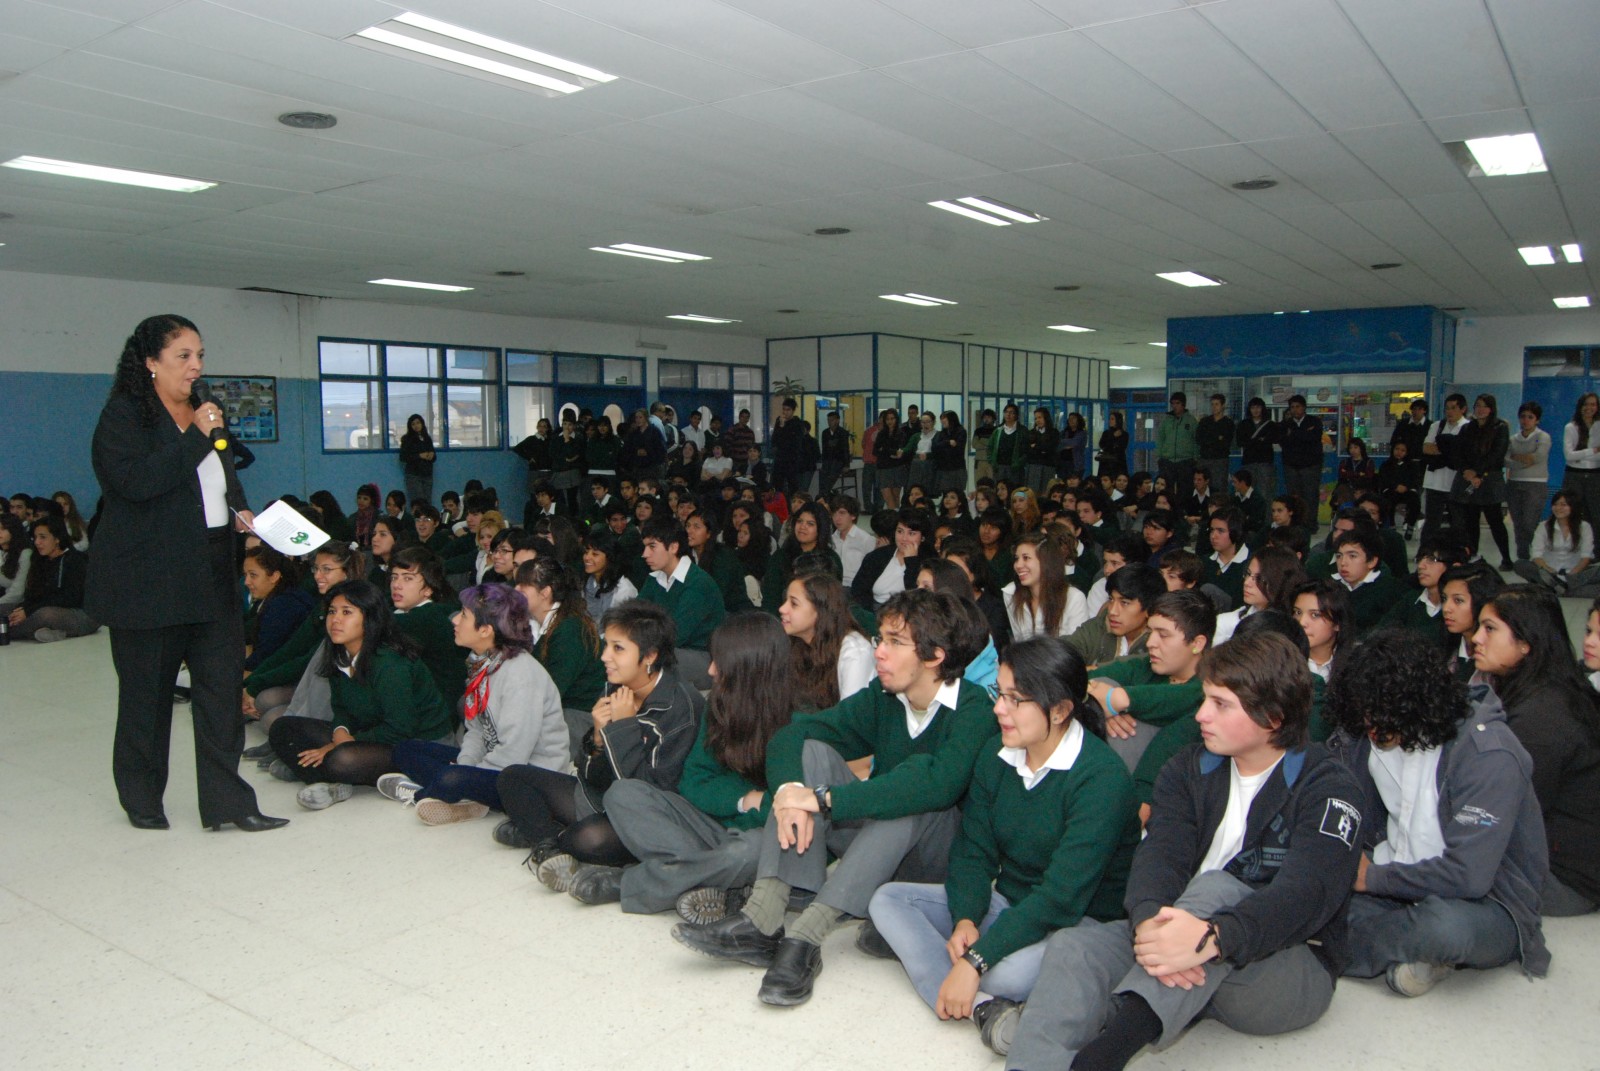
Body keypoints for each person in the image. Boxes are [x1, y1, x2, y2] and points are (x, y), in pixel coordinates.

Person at [1004, 631, 1364, 1070]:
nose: (1201, 715)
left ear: (1272, 717)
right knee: (1073, 947)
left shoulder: (1329, 786)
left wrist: (1215, 938)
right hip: (1179, 947)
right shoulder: (1189, 768)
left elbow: (1306, 895)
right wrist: (1152, 924)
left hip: (1284, 966)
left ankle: (1103, 1056)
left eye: (1220, 704)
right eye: (1205, 699)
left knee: (1218, 889)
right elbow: (1158, 861)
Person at [672, 588, 991, 1007]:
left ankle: (806, 937)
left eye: (896, 643)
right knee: (810, 754)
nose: (880, 653)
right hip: (878, 843)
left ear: (934, 656)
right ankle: (764, 917)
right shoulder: (885, 698)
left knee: (908, 788)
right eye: (881, 640)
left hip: (936, 861)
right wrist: (789, 794)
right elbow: (793, 734)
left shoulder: (974, 710)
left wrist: (822, 801)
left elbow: (937, 785)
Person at [867, 637, 1139, 1043]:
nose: (998, 709)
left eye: (1015, 699)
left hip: (1077, 922)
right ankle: (985, 1009)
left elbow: (1061, 898)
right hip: (1011, 902)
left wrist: (975, 960)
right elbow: (973, 851)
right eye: (999, 693)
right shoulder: (998, 753)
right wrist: (965, 918)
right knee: (887, 901)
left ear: (1061, 710)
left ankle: (973, 986)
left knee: (1003, 971)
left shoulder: (1101, 778)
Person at [85, 315, 283, 833]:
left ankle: (228, 804)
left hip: (213, 571)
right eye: (183, 357)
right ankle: (143, 798)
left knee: (219, 696)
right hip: (147, 581)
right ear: (150, 363)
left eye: (200, 356)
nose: (196, 367)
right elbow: (136, 483)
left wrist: (243, 517)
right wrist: (198, 436)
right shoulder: (125, 416)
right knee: (147, 699)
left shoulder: (204, 412)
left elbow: (221, 479)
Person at [1325, 630, 1549, 995]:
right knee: (1316, 891)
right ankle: (1402, 952)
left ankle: (1341, 950)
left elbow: (1469, 876)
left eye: (1381, 715)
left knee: (1443, 929)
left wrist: (1372, 880)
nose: (1372, 727)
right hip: (1394, 875)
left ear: (1415, 702)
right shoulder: (1372, 730)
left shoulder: (1488, 754)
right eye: (1365, 715)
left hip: (1484, 903)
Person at [597, 613, 795, 917]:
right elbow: (692, 782)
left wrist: (751, 803)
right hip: (711, 826)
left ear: (749, 665)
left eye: (719, 661)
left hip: (758, 838)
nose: (711, 670)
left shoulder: (799, 718)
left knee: (746, 852)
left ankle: (631, 883)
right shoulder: (721, 705)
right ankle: (709, 881)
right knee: (623, 793)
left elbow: (793, 808)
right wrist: (744, 798)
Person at [494, 602, 705, 876]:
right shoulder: (616, 685)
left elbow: (652, 793)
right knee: (512, 777)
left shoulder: (681, 707)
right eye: (607, 645)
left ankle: (543, 834)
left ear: (650, 655)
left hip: (646, 817)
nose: (605, 657)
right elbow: (590, 775)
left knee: (586, 839)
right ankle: (548, 843)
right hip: (599, 798)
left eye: (618, 648)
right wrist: (596, 737)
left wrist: (625, 726)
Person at [380, 583, 567, 825]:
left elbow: (514, 753)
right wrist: (465, 763)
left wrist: (467, 773)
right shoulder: (481, 663)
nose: (455, 621)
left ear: (486, 630)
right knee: (405, 749)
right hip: (493, 763)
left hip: (527, 779)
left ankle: (423, 794)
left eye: (464, 615)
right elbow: (477, 730)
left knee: (452, 779)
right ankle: (462, 797)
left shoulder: (521, 674)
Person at [268, 579, 456, 811]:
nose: (336, 619)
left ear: (369, 618)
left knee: (342, 759)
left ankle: (331, 777)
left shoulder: (390, 662)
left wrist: (346, 743)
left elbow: (400, 728)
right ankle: (333, 774)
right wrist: (340, 731)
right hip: (370, 733)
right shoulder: (340, 654)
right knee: (282, 728)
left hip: (418, 743)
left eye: (347, 612)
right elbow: (341, 709)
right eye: (332, 612)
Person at [1471, 586, 1600, 916]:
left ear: (1526, 644)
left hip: (1560, 878)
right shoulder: (1545, 687)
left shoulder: (1542, 718)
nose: (1476, 638)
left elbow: (1503, 818)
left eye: (1490, 629)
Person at [515, 556, 607, 754]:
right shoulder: (543, 624)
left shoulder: (569, 630)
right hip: (561, 708)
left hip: (578, 716)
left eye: (523, 587)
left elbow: (552, 691)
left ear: (545, 592)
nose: (516, 592)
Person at [781, 571, 875, 711]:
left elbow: (850, 719)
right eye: (785, 601)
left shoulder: (855, 652)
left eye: (794, 604)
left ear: (820, 611)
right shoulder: (794, 642)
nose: (782, 608)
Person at [7, 515, 97, 642]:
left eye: (43, 537)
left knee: (45, 615)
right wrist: (23, 608)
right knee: (6, 609)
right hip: (44, 608)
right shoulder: (40, 560)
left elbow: (71, 598)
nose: (37, 542)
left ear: (57, 539)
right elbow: (33, 595)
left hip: (82, 614)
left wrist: (28, 611)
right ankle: (46, 632)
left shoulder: (74, 560)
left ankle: (6, 631)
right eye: (35, 537)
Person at [1451, 393, 1513, 569]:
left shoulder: (1500, 427)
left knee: (1495, 521)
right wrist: (1467, 472)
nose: (1480, 409)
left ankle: (1506, 558)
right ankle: (1473, 555)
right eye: (1477, 405)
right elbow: (1459, 453)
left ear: (1491, 409)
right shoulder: (1467, 428)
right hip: (1469, 478)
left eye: (1484, 406)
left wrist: (1478, 473)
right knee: (1471, 520)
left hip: (1489, 478)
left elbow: (1497, 454)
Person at [1376, 537, 1467, 649]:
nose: (1420, 566)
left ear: (1455, 567)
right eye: (1419, 559)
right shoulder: (1412, 599)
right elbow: (1380, 632)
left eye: (1431, 560)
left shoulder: (1460, 608)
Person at [1005, 530, 1089, 640]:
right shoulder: (1010, 593)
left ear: (1046, 561)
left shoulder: (1074, 598)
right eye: (1017, 559)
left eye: (1026, 558)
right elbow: (1019, 642)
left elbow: (1077, 649)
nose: (1018, 565)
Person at [241, 544, 314, 671]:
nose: (246, 581)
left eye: (253, 575)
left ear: (274, 576)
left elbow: (267, 654)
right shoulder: (269, 600)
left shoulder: (284, 606)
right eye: (245, 575)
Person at [1511, 489, 1598, 594]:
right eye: (1555, 504)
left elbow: (1586, 556)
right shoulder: (1544, 526)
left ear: (1573, 507)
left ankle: (1556, 587)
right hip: (1549, 573)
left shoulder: (1584, 526)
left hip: (1575, 574)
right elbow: (1536, 555)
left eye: (1563, 505)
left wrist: (1571, 575)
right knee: (1520, 564)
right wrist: (1549, 571)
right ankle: (1563, 587)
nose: (1558, 508)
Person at [759, 502, 841, 613]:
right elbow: (770, 598)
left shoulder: (831, 559)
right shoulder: (780, 556)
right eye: (799, 521)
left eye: (810, 524)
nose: (803, 527)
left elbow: (832, 601)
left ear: (821, 528)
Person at [852, 508, 932, 611]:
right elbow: (858, 590)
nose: (904, 538)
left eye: (911, 533)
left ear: (922, 537)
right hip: (874, 612)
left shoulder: (928, 563)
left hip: (910, 615)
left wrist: (911, 561)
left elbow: (917, 597)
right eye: (900, 531)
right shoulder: (878, 556)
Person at [1332, 528, 1407, 636]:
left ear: (1372, 561)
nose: (1343, 563)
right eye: (1339, 556)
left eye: (1352, 556)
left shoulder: (1390, 591)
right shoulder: (1330, 587)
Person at [1439, 562, 1503, 681]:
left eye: (1458, 600)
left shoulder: (1497, 660)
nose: (1446, 608)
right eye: (1444, 598)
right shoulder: (1445, 647)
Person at [1507, 401, 1552, 562]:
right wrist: (1526, 459)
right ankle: (1523, 556)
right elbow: (1506, 461)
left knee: (1529, 523)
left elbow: (1538, 457)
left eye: (1530, 417)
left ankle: (1536, 555)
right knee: (1518, 524)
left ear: (1537, 420)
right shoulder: (1513, 439)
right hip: (1514, 484)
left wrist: (1518, 458)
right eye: (1523, 417)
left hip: (1535, 484)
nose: (1525, 420)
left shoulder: (1542, 437)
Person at [1421, 394, 1469, 543]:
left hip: (1456, 482)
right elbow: (1427, 448)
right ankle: (1425, 552)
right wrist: (1448, 449)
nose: (1449, 412)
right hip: (1434, 482)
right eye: (1447, 408)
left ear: (1463, 409)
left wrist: (1444, 448)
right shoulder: (1437, 426)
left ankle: (1458, 552)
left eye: (1454, 408)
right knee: (1432, 521)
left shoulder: (1468, 427)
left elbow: (1464, 453)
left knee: (1458, 521)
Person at [1279, 395, 1325, 535]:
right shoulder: (1285, 424)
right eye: (1292, 407)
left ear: (1304, 407)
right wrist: (1302, 435)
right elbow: (1283, 442)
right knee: (1294, 497)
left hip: (1310, 466)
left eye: (1297, 406)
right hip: (1291, 466)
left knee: (1310, 496)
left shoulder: (1314, 421)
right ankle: (1295, 524)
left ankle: (1310, 525)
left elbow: (1313, 438)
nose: (1295, 410)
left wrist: (1294, 435)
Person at [1564, 392, 1600, 529]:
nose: (1589, 407)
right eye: (1586, 404)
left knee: (1596, 517)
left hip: (1595, 476)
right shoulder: (1570, 427)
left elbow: (1575, 455)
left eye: (1593, 404)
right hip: (1573, 475)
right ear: (1580, 406)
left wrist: (1579, 455)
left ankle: (1596, 550)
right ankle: (1574, 549)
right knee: (1573, 514)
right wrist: (1594, 450)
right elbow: (1568, 456)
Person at [1377, 439, 1424, 536]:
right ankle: (1391, 525)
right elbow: (1383, 479)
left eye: (1402, 450)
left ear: (1407, 452)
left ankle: (1410, 525)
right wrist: (1395, 486)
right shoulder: (1386, 464)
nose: (1399, 452)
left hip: (1408, 490)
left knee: (1415, 501)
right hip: (1391, 490)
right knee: (1387, 501)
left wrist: (1406, 487)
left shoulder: (1412, 465)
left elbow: (1416, 480)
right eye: (1397, 449)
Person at [1236, 396, 1280, 498]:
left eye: (1258, 407)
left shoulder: (1270, 425)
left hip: (1265, 462)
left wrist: (1253, 442)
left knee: (1265, 492)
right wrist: (1259, 440)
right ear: (1249, 410)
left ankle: (1265, 514)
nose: (1255, 410)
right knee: (1248, 492)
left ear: (1262, 409)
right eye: (1253, 408)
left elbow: (1274, 439)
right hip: (1248, 462)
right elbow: (1240, 442)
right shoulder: (1243, 424)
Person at [1195, 394, 1234, 493]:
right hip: (1204, 459)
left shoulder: (1228, 423)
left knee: (1219, 487)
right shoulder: (1205, 422)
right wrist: (1217, 438)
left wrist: (1210, 439)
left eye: (1217, 404)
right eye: (1212, 404)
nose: (1214, 407)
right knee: (1202, 488)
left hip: (1220, 460)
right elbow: (1199, 439)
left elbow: (1226, 443)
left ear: (1223, 406)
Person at [398, 413, 436, 508]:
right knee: (418, 502)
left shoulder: (427, 438)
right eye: (413, 424)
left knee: (428, 501)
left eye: (418, 423)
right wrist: (419, 456)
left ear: (422, 424)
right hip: (414, 475)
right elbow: (403, 457)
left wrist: (432, 455)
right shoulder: (407, 439)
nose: (416, 426)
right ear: (410, 426)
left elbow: (434, 456)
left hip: (427, 474)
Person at [1024, 408, 1060, 496]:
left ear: (1046, 418)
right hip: (1033, 466)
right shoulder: (1031, 433)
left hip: (1048, 466)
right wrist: (1041, 449)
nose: (1038, 420)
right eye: (1036, 418)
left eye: (1040, 417)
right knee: (1032, 493)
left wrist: (1036, 446)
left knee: (1046, 492)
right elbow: (1027, 449)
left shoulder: (1054, 432)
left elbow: (1050, 448)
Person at [934, 410, 968, 493]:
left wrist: (944, 446)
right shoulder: (942, 433)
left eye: (944, 418)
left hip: (957, 468)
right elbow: (936, 446)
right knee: (945, 493)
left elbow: (958, 449)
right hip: (944, 468)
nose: (942, 421)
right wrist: (948, 442)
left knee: (957, 493)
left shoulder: (961, 431)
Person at [1097, 411, 1130, 480]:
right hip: (1106, 463)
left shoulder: (1124, 434)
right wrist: (1113, 436)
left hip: (1118, 463)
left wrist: (1113, 445)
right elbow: (1102, 445)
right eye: (1110, 419)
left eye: (1112, 419)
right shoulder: (1106, 433)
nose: (1110, 421)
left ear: (1118, 420)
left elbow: (1121, 448)